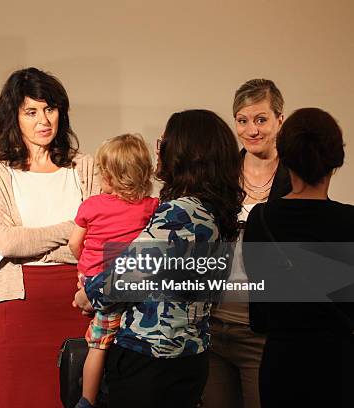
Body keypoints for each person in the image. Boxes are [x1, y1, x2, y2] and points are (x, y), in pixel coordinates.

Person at [76, 110, 244, 408]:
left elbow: (123, 280)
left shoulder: (179, 213)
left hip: (151, 359)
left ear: (183, 154)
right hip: (190, 355)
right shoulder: (214, 212)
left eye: (163, 142)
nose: (159, 150)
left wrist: (86, 292)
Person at [0, 67, 101, 407]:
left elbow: (99, 239)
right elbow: (5, 242)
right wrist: (73, 228)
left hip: (81, 302)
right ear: (13, 118)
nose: (44, 120)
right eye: (31, 111)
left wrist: (38, 245)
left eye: (50, 109)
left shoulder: (86, 168)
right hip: (17, 307)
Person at [243, 108, 354, 407]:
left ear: (284, 156)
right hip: (340, 364)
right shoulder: (349, 221)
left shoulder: (260, 219)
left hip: (282, 362)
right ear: (336, 160)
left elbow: (260, 313)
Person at [204, 79, 291, 408]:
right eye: (242, 120)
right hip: (214, 324)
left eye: (261, 119)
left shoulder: (296, 175)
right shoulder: (222, 174)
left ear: (279, 120)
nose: (251, 130)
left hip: (264, 330)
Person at [68, 134, 159, 408]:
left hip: (95, 282)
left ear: (109, 175)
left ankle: (87, 399)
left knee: (98, 345)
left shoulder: (91, 206)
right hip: (132, 287)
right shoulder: (151, 207)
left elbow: (75, 243)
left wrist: (85, 267)